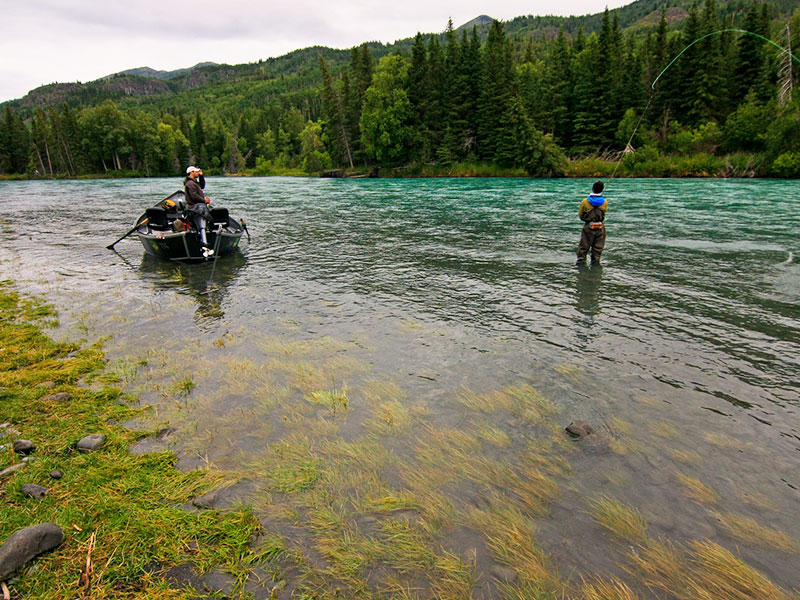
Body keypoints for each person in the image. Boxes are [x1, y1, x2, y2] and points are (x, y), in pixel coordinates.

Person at [184, 166, 214, 256]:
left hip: (198, 206)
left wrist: (201, 176)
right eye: (196, 172)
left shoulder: (194, 182)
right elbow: (194, 197)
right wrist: (204, 200)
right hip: (193, 207)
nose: (198, 173)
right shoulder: (189, 184)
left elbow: (202, 185)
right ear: (191, 172)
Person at [576, 180, 608, 265]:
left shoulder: (585, 202)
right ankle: (596, 272)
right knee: (597, 251)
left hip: (588, 227)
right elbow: (604, 215)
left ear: (593, 188)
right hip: (600, 227)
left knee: (583, 249)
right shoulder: (605, 202)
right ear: (602, 189)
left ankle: (581, 269)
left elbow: (581, 215)